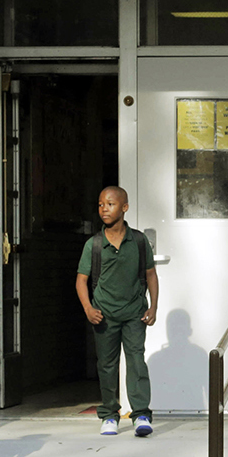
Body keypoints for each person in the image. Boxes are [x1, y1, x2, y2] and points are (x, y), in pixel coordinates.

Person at [75, 186, 158, 437]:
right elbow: (81, 280)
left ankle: (141, 414)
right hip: (104, 315)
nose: (104, 209)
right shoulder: (94, 244)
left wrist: (153, 306)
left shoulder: (140, 241)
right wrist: (88, 308)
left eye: (110, 204)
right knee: (107, 366)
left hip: (134, 313)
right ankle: (110, 415)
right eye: (100, 204)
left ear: (124, 207)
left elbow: (151, 275)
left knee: (136, 362)